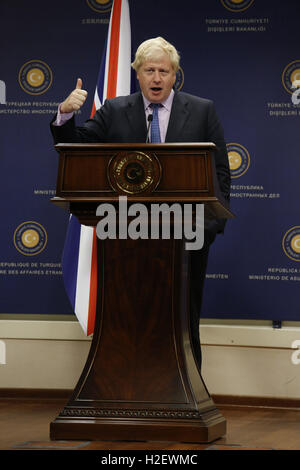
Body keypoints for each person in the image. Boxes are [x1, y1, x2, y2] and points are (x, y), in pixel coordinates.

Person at [50, 36, 231, 371]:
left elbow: (219, 172)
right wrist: (64, 114)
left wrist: (208, 228)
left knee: (183, 318)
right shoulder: (116, 110)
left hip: (187, 236)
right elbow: (78, 150)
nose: (157, 78)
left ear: (175, 74)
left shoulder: (202, 110)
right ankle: (128, 388)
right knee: (128, 314)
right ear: (138, 74)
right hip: (125, 233)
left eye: (164, 70)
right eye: (150, 70)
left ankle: (188, 390)